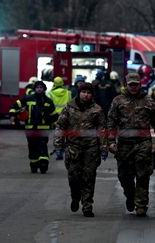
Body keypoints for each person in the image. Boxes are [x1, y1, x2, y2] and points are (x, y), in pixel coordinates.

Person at [107, 73, 155, 217]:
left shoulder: (148, 102)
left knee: (143, 175)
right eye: (131, 84)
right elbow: (111, 122)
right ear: (126, 85)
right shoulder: (118, 101)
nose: (133, 87)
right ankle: (130, 195)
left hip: (143, 144)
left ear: (140, 85)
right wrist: (110, 141)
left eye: (136, 84)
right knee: (124, 176)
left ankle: (141, 205)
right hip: (124, 145)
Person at [54, 82, 107, 217]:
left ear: (92, 95)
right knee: (74, 177)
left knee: (89, 177)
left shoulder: (97, 110)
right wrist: (58, 144)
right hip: (73, 148)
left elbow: (101, 130)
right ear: (79, 93)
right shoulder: (69, 108)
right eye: (83, 92)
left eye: (89, 93)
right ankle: (75, 196)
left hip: (91, 148)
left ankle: (87, 206)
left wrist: (103, 147)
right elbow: (60, 126)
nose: (86, 95)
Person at [9, 80, 57, 173]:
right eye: (37, 87)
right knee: (32, 147)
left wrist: (54, 124)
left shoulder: (48, 101)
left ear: (44, 89)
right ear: (34, 89)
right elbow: (14, 106)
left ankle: (43, 164)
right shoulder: (27, 99)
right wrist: (12, 115)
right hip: (30, 129)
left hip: (44, 129)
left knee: (43, 146)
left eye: (41, 88)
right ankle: (33, 165)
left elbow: (54, 115)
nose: (39, 89)